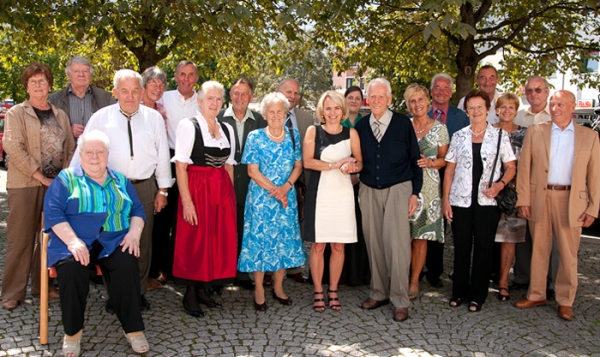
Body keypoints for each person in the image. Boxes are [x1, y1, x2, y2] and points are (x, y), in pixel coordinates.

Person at [70, 69, 172, 311]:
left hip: (144, 187)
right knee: (111, 242)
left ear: (142, 92)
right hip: (109, 188)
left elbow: (162, 156)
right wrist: (72, 187)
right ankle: (115, 294)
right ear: (115, 93)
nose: (130, 96)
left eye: (135, 90)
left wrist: (163, 190)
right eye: (124, 91)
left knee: (142, 242)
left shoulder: (153, 118)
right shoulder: (100, 118)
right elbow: (83, 152)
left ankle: (137, 293)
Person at [44, 130, 149, 357]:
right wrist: (73, 241)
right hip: (74, 241)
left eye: (99, 152)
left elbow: (138, 210)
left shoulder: (120, 180)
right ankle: (72, 334)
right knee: (71, 269)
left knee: (127, 263)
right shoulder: (66, 179)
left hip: (113, 239)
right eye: (89, 152)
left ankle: (133, 329)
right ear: (80, 155)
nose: (94, 157)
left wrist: (133, 234)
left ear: (107, 155)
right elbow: (52, 213)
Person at [514, 90, 600, 321]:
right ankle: (537, 294)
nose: (555, 108)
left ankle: (565, 300)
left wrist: (593, 207)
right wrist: (523, 199)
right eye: (552, 104)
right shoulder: (536, 131)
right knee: (539, 250)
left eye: (560, 104)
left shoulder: (588, 136)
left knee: (568, 254)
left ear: (572, 107)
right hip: (540, 197)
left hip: (572, 200)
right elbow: (524, 168)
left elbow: (595, 175)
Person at [1, 62, 76, 310]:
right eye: (32, 81)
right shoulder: (16, 113)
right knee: (21, 239)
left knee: (49, 237)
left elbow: (70, 149)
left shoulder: (60, 115)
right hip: (25, 184)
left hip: (56, 186)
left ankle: (42, 285)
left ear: (49, 84)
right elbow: (13, 147)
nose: (37, 85)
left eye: (42, 81)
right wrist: (40, 176)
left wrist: (64, 177)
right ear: (26, 85)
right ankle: (13, 291)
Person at [355, 78, 422, 322]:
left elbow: (415, 159)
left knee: (398, 246)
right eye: (372, 96)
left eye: (381, 96)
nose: (376, 101)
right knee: (374, 243)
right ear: (367, 99)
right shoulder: (361, 126)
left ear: (390, 99)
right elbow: (357, 158)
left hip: (398, 187)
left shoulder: (403, 123)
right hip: (369, 187)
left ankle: (400, 300)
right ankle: (379, 292)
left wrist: (415, 192)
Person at [443, 89, 516, 312]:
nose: (475, 111)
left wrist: (499, 185)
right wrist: (446, 200)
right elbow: (449, 171)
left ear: (487, 110)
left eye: (479, 107)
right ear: (466, 111)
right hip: (460, 200)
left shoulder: (500, 136)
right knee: (462, 247)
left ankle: (478, 295)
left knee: (484, 248)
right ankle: (459, 292)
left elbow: (511, 166)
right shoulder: (459, 136)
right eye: (471, 107)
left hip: (487, 201)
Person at [171, 81, 237, 317]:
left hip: (220, 190)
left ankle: (203, 288)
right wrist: (187, 202)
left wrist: (229, 197)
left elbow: (229, 166)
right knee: (195, 239)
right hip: (197, 188)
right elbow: (180, 166)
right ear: (199, 101)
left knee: (214, 239)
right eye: (210, 98)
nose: (215, 103)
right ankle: (190, 292)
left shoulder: (227, 128)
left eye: (219, 99)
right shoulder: (189, 126)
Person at [237, 92, 306, 311]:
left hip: (286, 198)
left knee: (283, 243)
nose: (276, 115)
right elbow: (252, 171)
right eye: (271, 111)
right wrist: (277, 191)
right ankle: (258, 288)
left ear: (286, 113)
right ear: (265, 113)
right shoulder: (255, 137)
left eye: (280, 111)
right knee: (259, 243)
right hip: (261, 199)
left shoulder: (294, 134)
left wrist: (285, 188)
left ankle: (278, 287)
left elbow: (298, 166)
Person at [302, 90, 363, 312]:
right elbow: (308, 162)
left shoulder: (352, 133)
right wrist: (335, 165)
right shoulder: (313, 131)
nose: (333, 112)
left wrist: (352, 166)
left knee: (338, 245)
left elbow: (360, 163)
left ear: (343, 110)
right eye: (328, 108)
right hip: (320, 194)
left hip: (343, 194)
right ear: (322, 110)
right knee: (319, 245)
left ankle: (333, 290)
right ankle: (318, 290)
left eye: (337, 108)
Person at [511, 76, 559, 300]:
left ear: (547, 92)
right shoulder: (519, 116)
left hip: (547, 182)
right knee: (522, 234)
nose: (533, 94)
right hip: (521, 180)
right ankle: (522, 278)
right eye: (529, 90)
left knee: (548, 236)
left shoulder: (556, 116)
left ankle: (550, 282)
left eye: (538, 90)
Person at [217, 78, 267, 290]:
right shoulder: (218, 118)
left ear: (251, 97)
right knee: (223, 230)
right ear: (230, 95)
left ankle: (243, 273)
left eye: (244, 94)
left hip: (250, 183)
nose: (239, 98)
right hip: (222, 182)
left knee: (245, 228)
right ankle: (221, 274)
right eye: (235, 93)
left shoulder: (259, 120)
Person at [152, 60, 199, 283]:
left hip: (193, 165)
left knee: (187, 217)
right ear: (176, 76)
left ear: (196, 78)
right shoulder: (164, 98)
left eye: (191, 75)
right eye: (182, 74)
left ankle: (183, 267)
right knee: (163, 218)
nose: (186, 79)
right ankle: (160, 267)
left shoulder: (203, 100)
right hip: (167, 159)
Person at [423, 73, 470, 288]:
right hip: (424, 175)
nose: (441, 92)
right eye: (437, 88)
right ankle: (416, 267)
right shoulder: (418, 113)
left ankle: (435, 271)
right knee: (421, 219)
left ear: (451, 92)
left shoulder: (461, 118)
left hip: (452, 176)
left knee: (441, 223)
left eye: (445, 88)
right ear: (431, 91)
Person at [404, 84, 449, 300]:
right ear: (408, 104)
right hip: (404, 186)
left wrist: (430, 162)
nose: (417, 104)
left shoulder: (439, 128)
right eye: (412, 101)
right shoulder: (403, 126)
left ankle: (414, 281)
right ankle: (401, 276)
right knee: (403, 237)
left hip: (429, 189)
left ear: (428, 102)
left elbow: (445, 160)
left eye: (420, 100)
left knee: (420, 237)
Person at [276, 78, 316, 284]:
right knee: (274, 223)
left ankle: (293, 268)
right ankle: (269, 270)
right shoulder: (269, 114)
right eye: (288, 92)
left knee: (297, 223)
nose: (292, 96)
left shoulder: (306, 118)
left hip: (300, 178)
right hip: (273, 177)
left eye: (295, 93)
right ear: (278, 92)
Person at [492, 93, 527, 302]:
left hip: (513, 194)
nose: (506, 110)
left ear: (516, 110)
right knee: (485, 237)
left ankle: (504, 281)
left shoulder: (525, 134)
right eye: (502, 107)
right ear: (496, 110)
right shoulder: (488, 132)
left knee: (509, 239)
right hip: (488, 192)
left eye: (511, 107)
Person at [140, 66, 169, 290]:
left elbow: (162, 149)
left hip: (155, 176)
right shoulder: (133, 108)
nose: (158, 88)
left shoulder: (161, 111)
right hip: (133, 177)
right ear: (144, 85)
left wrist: (163, 187)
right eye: (153, 84)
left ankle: (150, 273)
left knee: (154, 227)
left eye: (161, 85)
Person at [339, 86, 370, 287]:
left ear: (362, 101)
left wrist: (358, 175)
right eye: (350, 97)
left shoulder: (366, 123)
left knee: (359, 226)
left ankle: (358, 273)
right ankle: (338, 274)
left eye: (357, 98)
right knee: (340, 227)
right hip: (339, 182)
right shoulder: (336, 121)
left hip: (361, 182)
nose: (353, 101)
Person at [49, 56, 116, 139]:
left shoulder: (105, 97)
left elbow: (118, 121)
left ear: (90, 75)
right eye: (76, 71)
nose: (81, 75)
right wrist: (68, 130)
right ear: (69, 75)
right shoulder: (54, 100)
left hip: (97, 150)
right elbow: (47, 129)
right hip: (67, 150)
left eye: (85, 71)